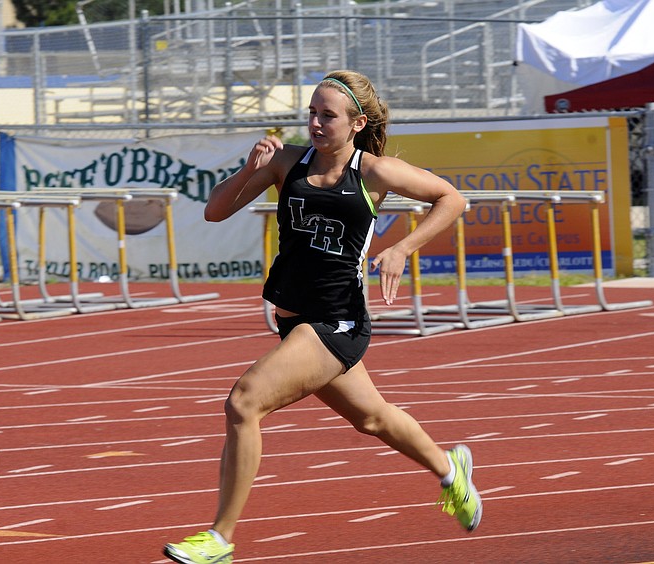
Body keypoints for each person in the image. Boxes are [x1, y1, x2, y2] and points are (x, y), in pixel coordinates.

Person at [163, 70, 481, 564]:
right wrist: (250, 169)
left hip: (337, 322)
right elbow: (214, 211)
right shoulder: (287, 162)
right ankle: (450, 470)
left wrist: (401, 248)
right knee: (373, 418)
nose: (314, 122)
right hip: (295, 321)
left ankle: (219, 540)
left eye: (326, 115)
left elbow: (452, 198)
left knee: (244, 403)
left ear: (355, 123)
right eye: (310, 112)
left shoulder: (372, 172)